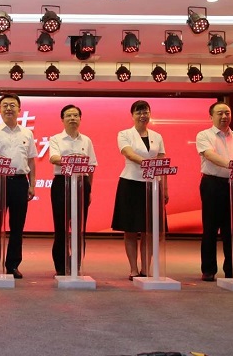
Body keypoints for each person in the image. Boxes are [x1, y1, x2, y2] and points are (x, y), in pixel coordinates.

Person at [111, 100, 168, 281]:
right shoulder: (124, 134)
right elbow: (128, 153)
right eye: (139, 112)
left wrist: (164, 188)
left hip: (153, 185)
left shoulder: (157, 136)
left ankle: (146, 269)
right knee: (130, 229)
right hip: (130, 183)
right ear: (132, 115)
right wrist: (149, 164)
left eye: (145, 112)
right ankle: (133, 269)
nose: (143, 115)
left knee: (148, 230)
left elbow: (162, 162)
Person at [196, 101, 233, 282]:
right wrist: (231, 164)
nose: (224, 116)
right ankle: (209, 269)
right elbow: (209, 155)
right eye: (220, 113)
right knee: (210, 228)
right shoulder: (204, 135)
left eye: (227, 113)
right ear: (211, 116)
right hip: (212, 184)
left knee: (231, 229)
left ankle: (231, 269)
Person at [0, 93, 37, 279]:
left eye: (12, 105)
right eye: (5, 105)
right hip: (0, 180)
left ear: (19, 109)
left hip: (21, 182)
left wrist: (32, 184)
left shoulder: (27, 133)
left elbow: (31, 161)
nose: (8, 108)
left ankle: (13, 265)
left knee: (17, 226)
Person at [48, 104, 97, 276]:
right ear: (62, 119)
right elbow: (54, 158)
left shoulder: (86, 140)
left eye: (76, 115)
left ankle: (76, 264)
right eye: (68, 115)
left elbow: (91, 166)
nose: (72, 118)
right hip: (62, 183)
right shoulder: (56, 139)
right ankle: (61, 266)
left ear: (80, 119)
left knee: (79, 227)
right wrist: (72, 160)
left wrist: (89, 189)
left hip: (82, 183)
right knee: (61, 226)